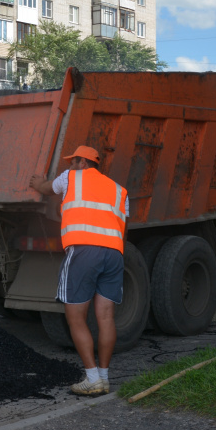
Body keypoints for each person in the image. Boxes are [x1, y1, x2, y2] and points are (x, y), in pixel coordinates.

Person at [29, 146, 129, 396]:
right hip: (114, 254)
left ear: (83, 162)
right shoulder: (120, 191)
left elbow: (46, 188)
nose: (71, 166)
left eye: (73, 161)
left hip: (84, 252)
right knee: (106, 318)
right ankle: (104, 378)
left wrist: (39, 182)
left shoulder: (71, 177)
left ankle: (92, 378)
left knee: (75, 317)